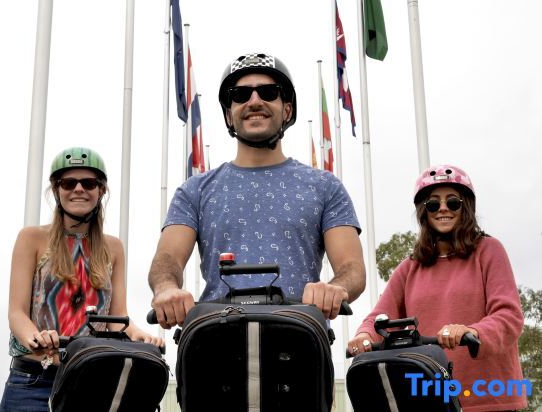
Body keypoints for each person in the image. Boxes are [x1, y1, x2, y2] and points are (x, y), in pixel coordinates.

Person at [149, 52, 366, 328]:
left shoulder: (326, 187)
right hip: (216, 335)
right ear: (228, 115)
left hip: (297, 336)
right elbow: (167, 259)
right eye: (240, 95)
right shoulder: (195, 190)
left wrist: (336, 288)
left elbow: (352, 267)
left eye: (268, 92)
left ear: (287, 110)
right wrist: (166, 288)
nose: (254, 101)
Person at [348, 164, 527, 411]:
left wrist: (473, 331)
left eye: (453, 202)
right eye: (433, 204)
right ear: (424, 212)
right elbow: (379, 318)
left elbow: (509, 315)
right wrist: (365, 335)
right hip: (432, 398)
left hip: (488, 395)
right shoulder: (410, 267)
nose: (443, 208)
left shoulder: (489, 251)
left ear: (466, 207)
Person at [0, 147, 163, 412]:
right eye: (68, 183)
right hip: (33, 379)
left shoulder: (113, 248)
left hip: (89, 380)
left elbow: (116, 318)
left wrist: (139, 335)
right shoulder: (31, 238)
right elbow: (16, 313)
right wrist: (37, 337)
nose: (78, 189)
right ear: (56, 190)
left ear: (101, 190)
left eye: (88, 183)